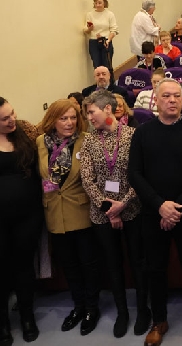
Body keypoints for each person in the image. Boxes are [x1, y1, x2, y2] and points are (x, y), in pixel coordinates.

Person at [128, 78, 182, 346]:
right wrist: (160, 205)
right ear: (156, 98)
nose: (172, 100)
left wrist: (176, 207)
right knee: (155, 269)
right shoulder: (142, 133)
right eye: (166, 96)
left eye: (177, 96)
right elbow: (135, 174)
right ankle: (159, 320)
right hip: (153, 213)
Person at [80, 90, 150, 338]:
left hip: (132, 209)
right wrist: (107, 207)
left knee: (138, 262)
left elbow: (141, 173)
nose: (89, 117)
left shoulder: (133, 135)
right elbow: (86, 178)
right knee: (112, 264)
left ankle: (143, 310)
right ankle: (123, 312)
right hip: (101, 214)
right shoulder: (88, 140)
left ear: (107, 109)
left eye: (91, 111)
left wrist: (123, 202)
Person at [37, 100, 103, 336]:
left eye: (73, 117)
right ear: (53, 120)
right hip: (54, 213)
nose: (69, 123)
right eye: (63, 118)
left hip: (81, 211)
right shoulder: (40, 143)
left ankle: (92, 309)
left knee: (88, 264)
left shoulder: (87, 140)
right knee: (70, 266)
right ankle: (78, 306)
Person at [0, 97, 43, 345]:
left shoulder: (23, 133)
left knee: (25, 267)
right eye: (5, 119)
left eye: (12, 114)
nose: (11, 120)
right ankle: (3, 323)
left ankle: (28, 318)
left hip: (28, 215)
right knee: (2, 269)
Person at [84, 0, 118, 74]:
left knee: (107, 65)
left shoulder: (110, 14)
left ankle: (109, 84)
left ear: (104, 3)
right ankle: (99, 84)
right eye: (96, 3)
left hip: (105, 41)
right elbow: (85, 29)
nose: (97, 5)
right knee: (97, 66)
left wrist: (108, 40)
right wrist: (89, 29)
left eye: (99, 3)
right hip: (94, 42)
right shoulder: (90, 14)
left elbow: (114, 30)